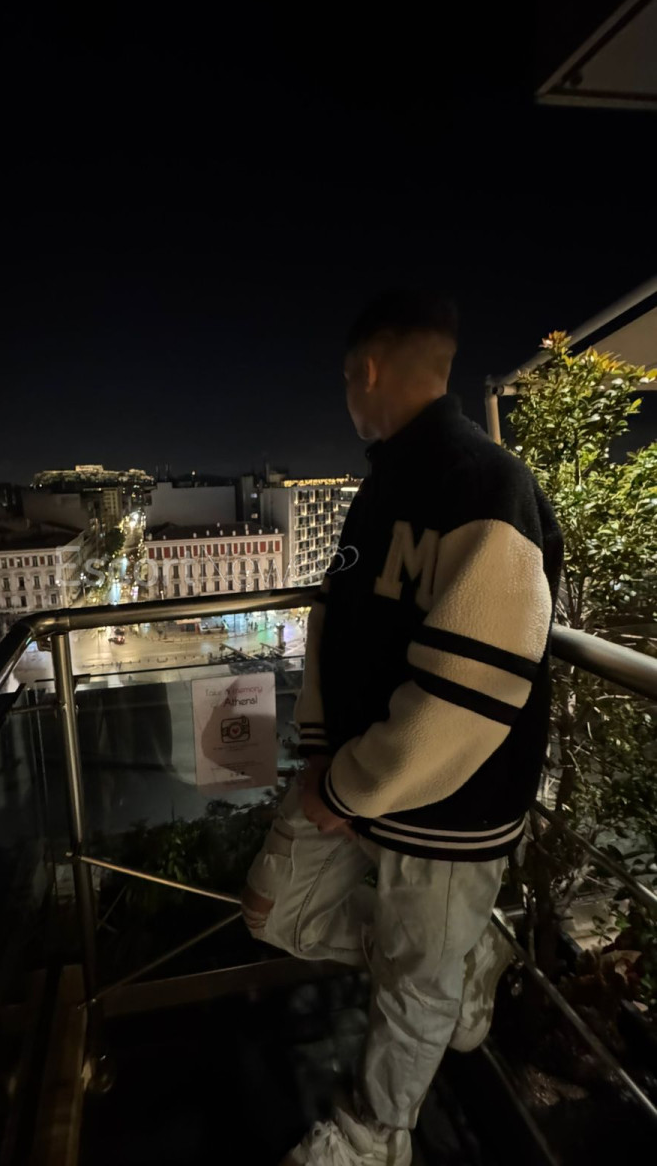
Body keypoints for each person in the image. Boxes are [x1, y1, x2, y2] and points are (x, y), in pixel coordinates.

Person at [242, 290, 563, 1166]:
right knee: (276, 911)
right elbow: (339, 621)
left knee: (412, 986)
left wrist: (349, 784)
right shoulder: (388, 484)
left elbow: (473, 685)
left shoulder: (488, 484)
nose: (347, 396)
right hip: (364, 781)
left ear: (369, 370)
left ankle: (374, 1138)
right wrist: (330, 760)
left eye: (347, 379)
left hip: (449, 805)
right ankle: (463, 963)